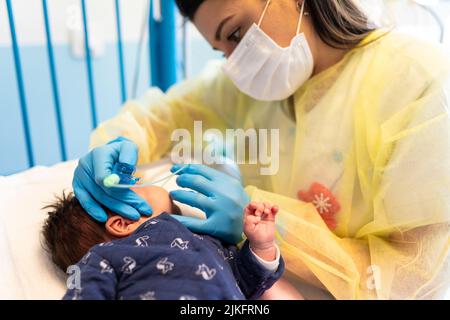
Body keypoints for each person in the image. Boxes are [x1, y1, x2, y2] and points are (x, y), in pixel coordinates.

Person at [73, 0, 450, 299]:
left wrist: (264, 226)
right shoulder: (250, 89)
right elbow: (163, 116)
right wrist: (116, 144)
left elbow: (413, 281)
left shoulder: (421, 84)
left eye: (236, 33)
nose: (236, 65)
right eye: (222, 51)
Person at [42, 185, 289, 300]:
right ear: (122, 223)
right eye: (134, 186)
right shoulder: (103, 256)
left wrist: (261, 246)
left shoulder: (210, 243)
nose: (142, 181)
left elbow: (249, 281)